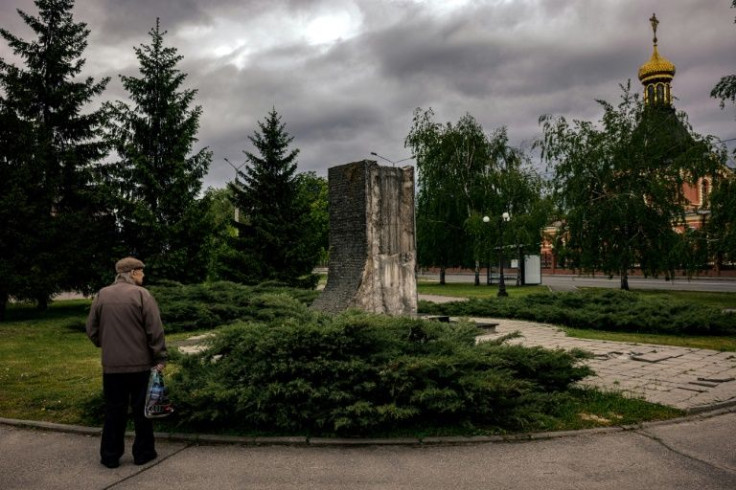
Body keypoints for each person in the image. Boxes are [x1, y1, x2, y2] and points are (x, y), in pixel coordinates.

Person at [86, 257, 167, 469]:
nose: (143, 275)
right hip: (140, 365)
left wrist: (107, 345)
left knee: (114, 410)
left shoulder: (102, 295)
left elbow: (91, 329)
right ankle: (143, 453)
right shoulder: (142, 295)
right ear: (132, 272)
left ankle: (110, 456)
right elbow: (155, 330)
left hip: (112, 367)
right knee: (142, 411)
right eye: (141, 271)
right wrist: (159, 357)